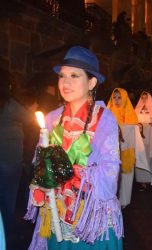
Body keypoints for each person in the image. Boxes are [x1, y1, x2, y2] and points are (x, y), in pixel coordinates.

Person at [25, 46, 123, 249]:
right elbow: (38, 160)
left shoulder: (105, 120)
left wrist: (71, 174)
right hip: (56, 214)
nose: (65, 82)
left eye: (74, 75)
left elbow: (109, 176)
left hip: (90, 218)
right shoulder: (52, 118)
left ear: (92, 82)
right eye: (62, 75)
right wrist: (44, 176)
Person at [0, 69, 32, 249]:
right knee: (8, 200)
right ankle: (6, 237)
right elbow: (29, 119)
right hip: (10, 161)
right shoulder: (11, 104)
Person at [107, 88, 148, 208]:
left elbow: (133, 133)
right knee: (112, 177)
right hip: (110, 152)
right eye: (114, 97)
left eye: (119, 97)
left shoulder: (130, 114)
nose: (117, 100)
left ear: (124, 98)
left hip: (127, 151)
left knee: (126, 177)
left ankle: (124, 201)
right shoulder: (107, 113)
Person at [135, 91, 152, 191]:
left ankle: (150, 179)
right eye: (142, 98)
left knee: (150, 157)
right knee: (141, 156)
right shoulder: (137, 110)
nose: (144, 100)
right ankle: (142, 181)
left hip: (150, 137)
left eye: (146, 98)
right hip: (140, 138)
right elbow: (132, 121)